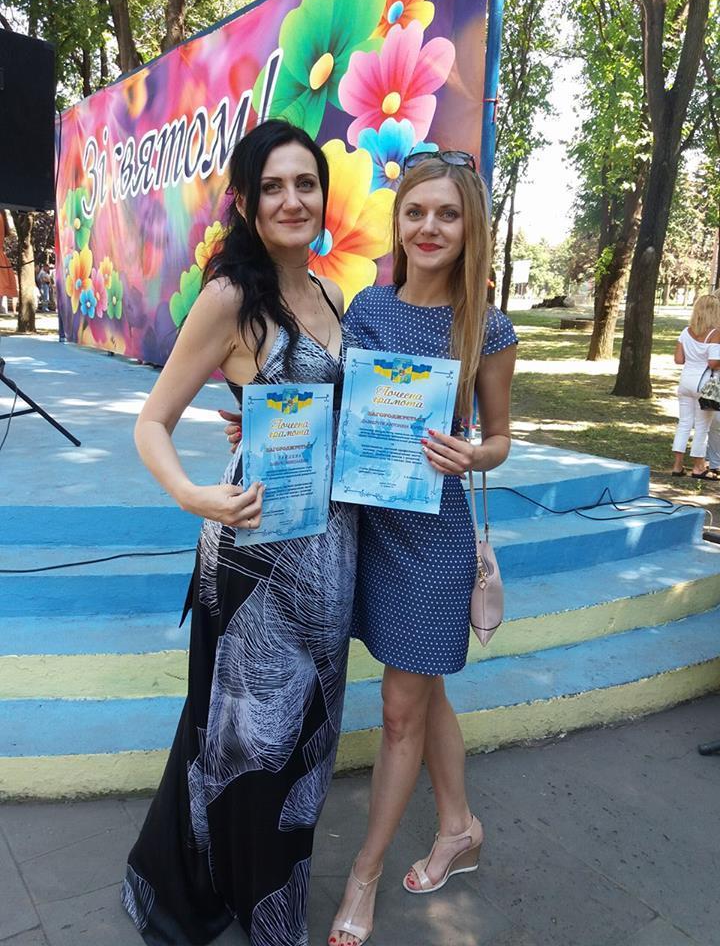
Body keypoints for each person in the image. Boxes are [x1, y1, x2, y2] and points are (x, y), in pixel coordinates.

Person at [122, 120, 358, 946]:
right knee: (243, 742)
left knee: (308, 738)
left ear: (323, 196)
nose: (292, 200)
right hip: (253, 552)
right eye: (273, 187)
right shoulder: (230, 297)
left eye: (306, 183)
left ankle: (265, 895)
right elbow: (151, 422)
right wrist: (197, 496)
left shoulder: (331, 295)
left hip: (331, 546)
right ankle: (243, 906)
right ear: (248, 204)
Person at [326, 152, 517, 946]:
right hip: (366, 528)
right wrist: (265, 427)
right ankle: (459, 827)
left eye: (447, 213)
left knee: (401, 708)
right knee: (425, 686)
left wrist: (475, 454)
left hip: (433, 540)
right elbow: (338, 412)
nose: (429, 226)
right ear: (398, 222)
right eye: (416, 212)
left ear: (470, 226)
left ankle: (363, 874)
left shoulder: (486, 326)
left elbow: (501, 438)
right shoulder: (368, 309)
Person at [671, 292, 720, 480]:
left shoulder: (686, 331)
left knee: (684, 423)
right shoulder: (715, 334)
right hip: (704, 383)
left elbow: (678, 359)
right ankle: (699, 467)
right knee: (702, 427)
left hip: (685, 381)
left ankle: (677, 466)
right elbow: (713, 362)